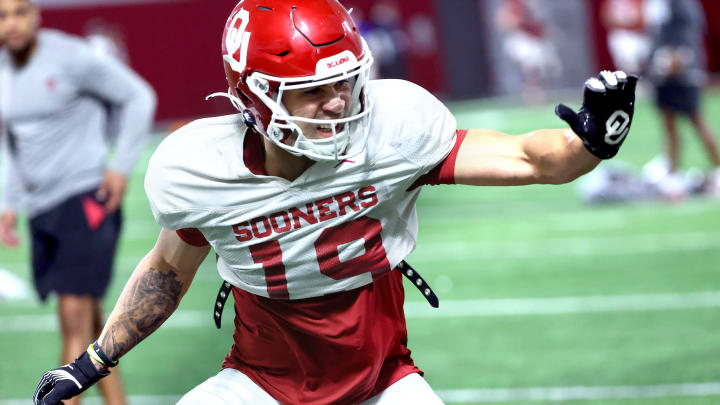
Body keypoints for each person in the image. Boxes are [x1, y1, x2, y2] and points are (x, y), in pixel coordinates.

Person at [32, 0, 636, 404]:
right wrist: (91, 362)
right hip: (261, 384)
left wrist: (589, 142)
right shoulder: (202, 172)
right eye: (312, 91)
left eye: (343, 83)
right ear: (256, 97)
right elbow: (166, 271)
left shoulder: (392, 131)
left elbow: (534, 160)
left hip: (382, 382)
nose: (339, 104)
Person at [0, 0, 156, 404]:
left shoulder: (71, 57)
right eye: (2, 15)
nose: (12, 23)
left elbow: (139, 97)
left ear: (35, 15)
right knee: (92, 329)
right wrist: (8, 202)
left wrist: (120, 166)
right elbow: (9, 142)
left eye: (19, 12)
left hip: (85, 202)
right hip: (42, 210)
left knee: (73, 324)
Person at [645, 0, 720, 198]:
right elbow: (657, 31)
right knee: (668, 124)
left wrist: (681, 55)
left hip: (683, 69)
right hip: (662, 69)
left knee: (696, 119)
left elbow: (691, 25)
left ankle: (718, 168)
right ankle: (673, 173)